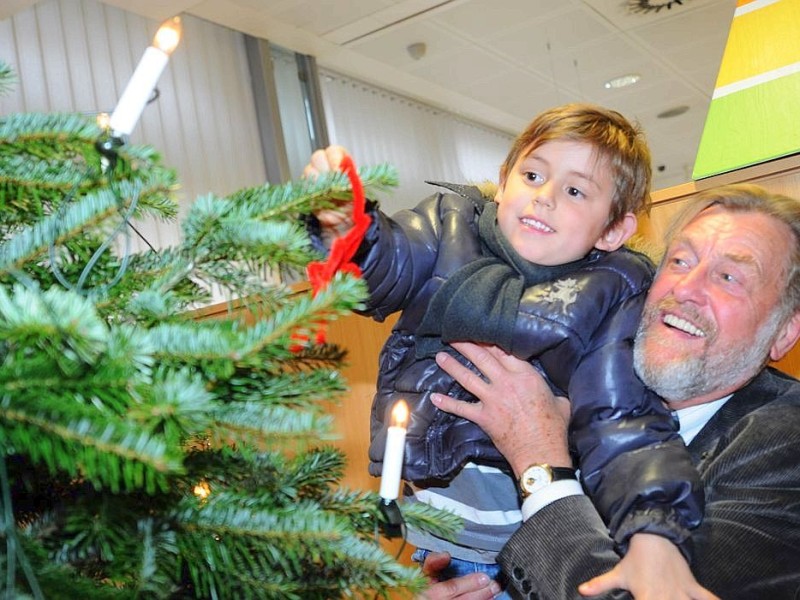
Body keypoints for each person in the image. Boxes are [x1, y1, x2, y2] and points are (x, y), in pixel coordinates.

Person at [303, 103, 703, 595]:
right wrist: (349, 229)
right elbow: (391, 261)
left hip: (537, 537)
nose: (545, 197)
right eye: (533, 175)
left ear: (614, 229)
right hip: (437, 531)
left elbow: (622, 420)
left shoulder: (612, 292)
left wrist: (654, 532)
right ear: (504, 180)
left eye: (575, 190)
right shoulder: (448, 228)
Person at [430, 183, 800, 599]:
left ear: (784, 332)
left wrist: (539, 461)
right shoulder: (584, 387)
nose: (684, 289)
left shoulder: (787, 447)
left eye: (728, 277)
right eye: (679, 261)